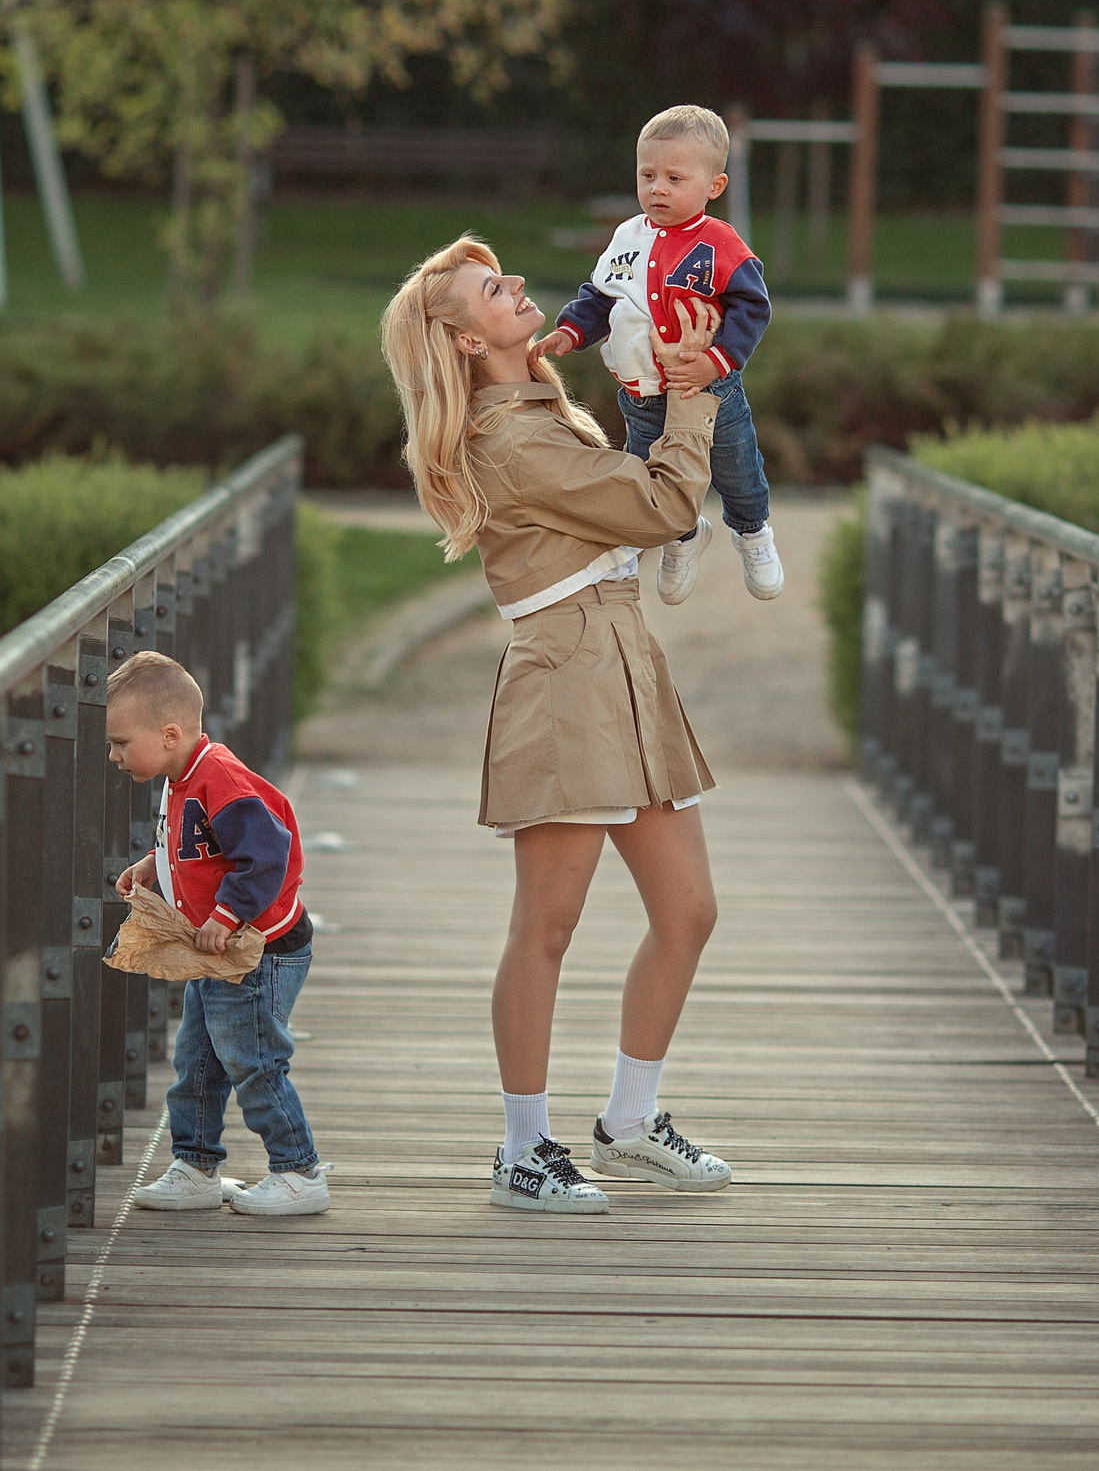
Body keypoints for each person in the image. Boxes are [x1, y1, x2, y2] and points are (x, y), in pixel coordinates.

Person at [381, 235, 734, 1214]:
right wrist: (695, 393)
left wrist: (670, 374)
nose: (519, 288)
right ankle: (522, 1148)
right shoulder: (511, 441)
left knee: (689, 910)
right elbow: (662, 506)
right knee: (547, 924)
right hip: (567, 674)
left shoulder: (542, 412)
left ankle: (630, 1121)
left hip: (623, 659)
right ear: (464, 339)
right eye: (494, 289)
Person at [104, 650, 327, 1217]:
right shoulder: (180, 776)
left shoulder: (219, 778)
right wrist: (154, 864)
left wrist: (226, 914)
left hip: (259, 950)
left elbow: (268, 853)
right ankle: (196, 1167)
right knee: (197, 1061)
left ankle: (299, 1172)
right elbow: (197, 843)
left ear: (169, 734)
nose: (114, 755)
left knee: (253, 1058)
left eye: (122, 743)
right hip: (216, 951)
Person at [540, 103, 782, 605]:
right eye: (647, 175)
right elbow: (601, 296)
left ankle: (753, 533)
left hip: (709, 387)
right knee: (652, 480)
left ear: (714, 186)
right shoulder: (626, 237)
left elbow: (753, 307)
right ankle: (682, 537)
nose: (658, 189)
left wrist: (718, 360)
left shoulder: (720, 243)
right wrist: (571, 330)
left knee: (736, 467)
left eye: (675, 178)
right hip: (642, 392)